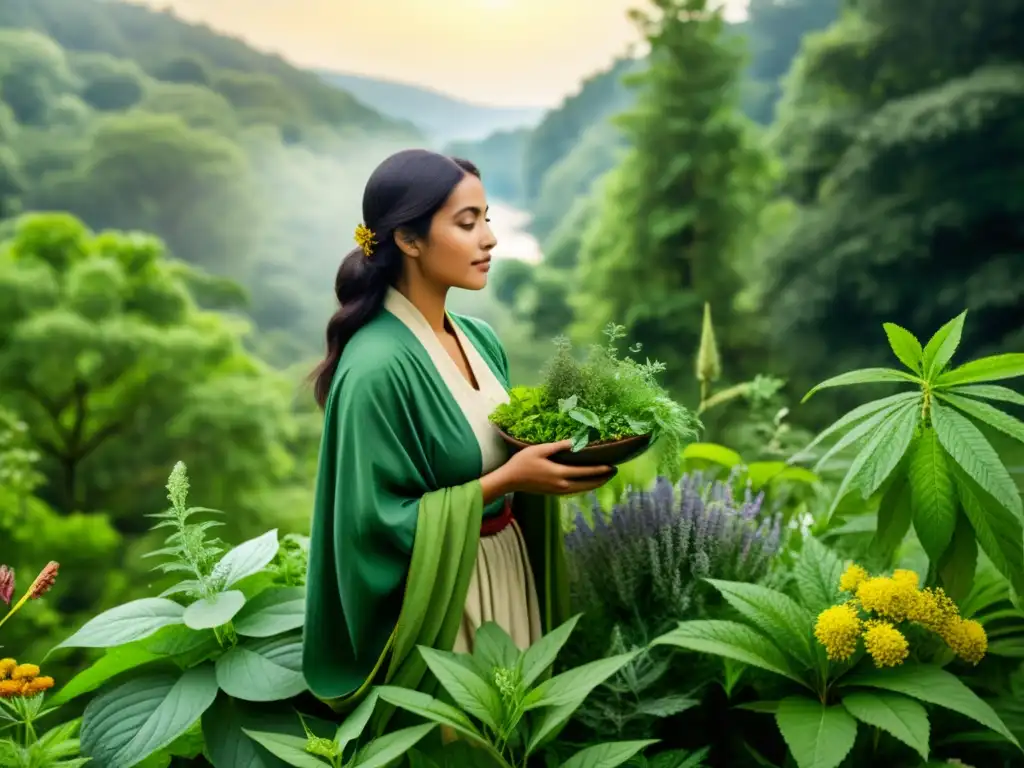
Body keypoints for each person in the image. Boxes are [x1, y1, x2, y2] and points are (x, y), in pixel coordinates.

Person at [302, 149, 612, 720]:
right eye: (467, 223)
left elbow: (505, 446)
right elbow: (371, 522)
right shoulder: (375, 367)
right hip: (443, 597)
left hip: (507, 566)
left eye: (487, 217)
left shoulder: (480, 338)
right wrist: (508, 481)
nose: (489, 238)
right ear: (408, 240)